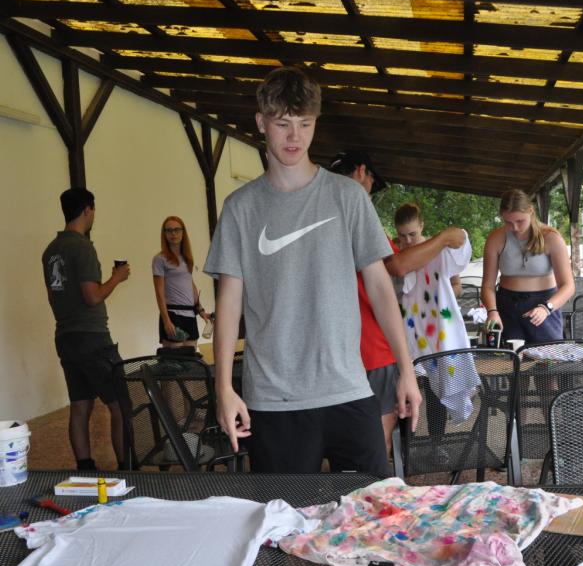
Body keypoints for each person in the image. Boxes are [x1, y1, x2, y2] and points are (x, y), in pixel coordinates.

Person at [204, 66, 421, 475]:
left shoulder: (348, 197)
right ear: (261, 123)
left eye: (305, 124)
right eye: (282, 124)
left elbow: (380, 288)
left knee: (369, 508)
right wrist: (224, 389)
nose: (294, 136)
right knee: (284, 513)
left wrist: (406, 370)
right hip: (274, 400)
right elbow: (229, 305)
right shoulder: (240, 208)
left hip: (349, 389)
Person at [329, 150, 466, 452]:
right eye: (371, 183)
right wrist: (444, 238)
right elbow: (398, 265)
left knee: (342, 433)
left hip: (332, 348)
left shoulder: (319, 218)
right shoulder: (360, 216)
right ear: (362, 173)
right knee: (376, 442)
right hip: (373, 347)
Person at [42, 188, 130, 470]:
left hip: (65, 336)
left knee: (80, 405)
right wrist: (116, 278)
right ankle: (127, 467)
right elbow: (92, 297)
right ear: (87, 210)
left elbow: (52, 297)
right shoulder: (82, 247)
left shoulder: (50, 251)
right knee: (120, 404)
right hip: (92, 337)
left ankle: (85, 467)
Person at [395, 203, 479, 424]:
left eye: (412, 234)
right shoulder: (396, 257)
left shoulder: (438, 250)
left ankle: (436, 439)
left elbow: (460, 247)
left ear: (422, 226)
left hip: (440, 330)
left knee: (440, 389)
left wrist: (442, 293)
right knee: (410, 389)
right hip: (410, 332)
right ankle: (408, 438)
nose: (408, 241)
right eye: (402, 236)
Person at [482, 189, 575, 342]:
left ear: (531, 211)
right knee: (509, 355)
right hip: (507, 305)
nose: (515, 228)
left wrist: (547, 307)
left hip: (544, 304)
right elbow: (487, 285)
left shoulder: (552, 237)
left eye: (520, 221)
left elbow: (568, 286)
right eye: (508, 222)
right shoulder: (495, 238)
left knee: (547, 355)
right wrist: (492, 311)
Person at [152, 216, 210, 348]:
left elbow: (191, 286)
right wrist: (166, 321)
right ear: (164, 234)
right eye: (169, 230)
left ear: (183, 232)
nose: (173, 233)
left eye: (177, 229)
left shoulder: (186, 259)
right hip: (173, 315)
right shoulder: (160, 259)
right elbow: (159, 292)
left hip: (190, 315)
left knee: (191, 358)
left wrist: (201, 311)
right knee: (175, 359)